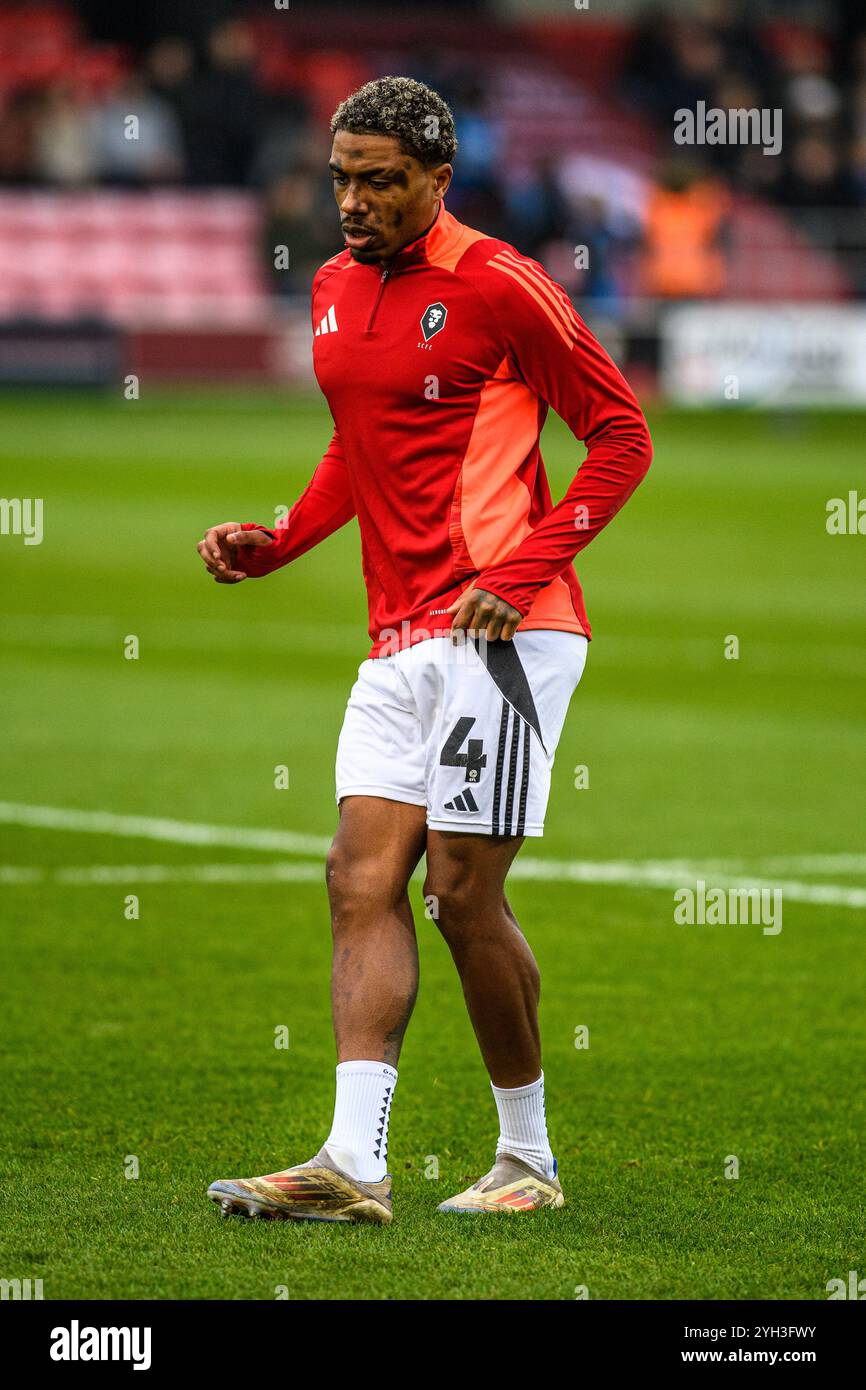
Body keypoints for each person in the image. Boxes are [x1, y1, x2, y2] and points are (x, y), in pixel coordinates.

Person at [197, 76, 652, 1223]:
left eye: (379, 181)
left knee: (457, 892)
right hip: (396, 633)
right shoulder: (335, 286)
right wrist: (280, 541)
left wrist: (519, 570)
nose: (351, 201)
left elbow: (619, 436)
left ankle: (526, 1160)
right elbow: (360, 446)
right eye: (341, 177)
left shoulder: (499, 283)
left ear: (436, 180)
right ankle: (352, 1164)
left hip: (505, 631)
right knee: (357, 877)